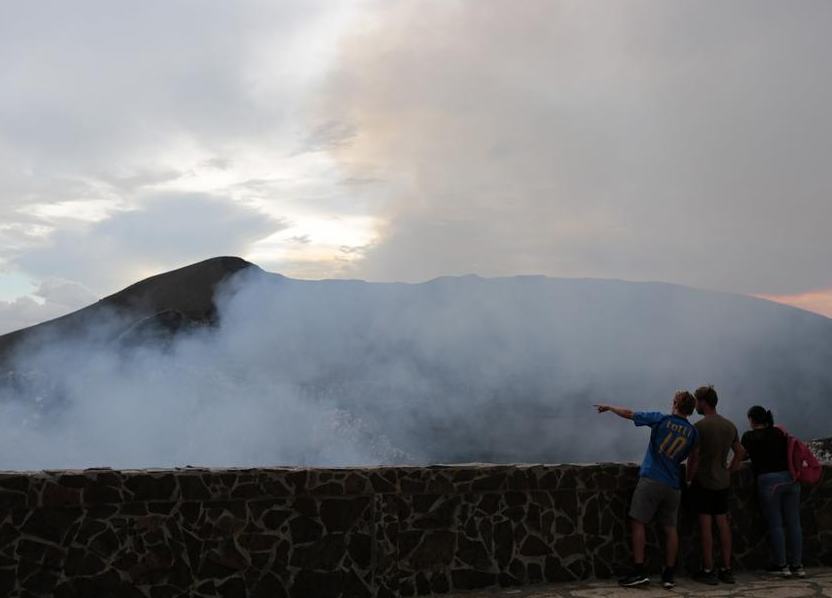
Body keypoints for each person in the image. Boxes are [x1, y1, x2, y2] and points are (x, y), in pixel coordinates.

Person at [595, 391, 698, 589]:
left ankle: (639, 571)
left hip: (652, 478)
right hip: (674, 484)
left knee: (638, 522)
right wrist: (688, 479)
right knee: (670, 529)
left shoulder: (661, 419)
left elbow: (629, 413)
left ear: (676, 403)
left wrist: (609, 408)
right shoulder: (693, 432)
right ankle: (668, 575)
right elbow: (694, 459)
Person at [686, 385, 745, 585]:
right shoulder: (729, 425)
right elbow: (740, 451)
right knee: (723, 524)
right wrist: (730, 469)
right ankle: (726, 569)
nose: (695, 405)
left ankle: (708, 569)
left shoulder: (699, 427)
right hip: (723, 481)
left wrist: (688, 478)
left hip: (703, 481)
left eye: (696, 401)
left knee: (706, 526)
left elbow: (694, 457)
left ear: (704, 402)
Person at [741, 405, 805, 578]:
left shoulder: (749, 437)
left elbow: (741, 456)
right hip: (790, 479)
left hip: (768, 482)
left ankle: (782, 564)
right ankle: (797, 565)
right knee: (794, 523)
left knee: (776, 524)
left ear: (752, 420)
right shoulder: (779, 433)